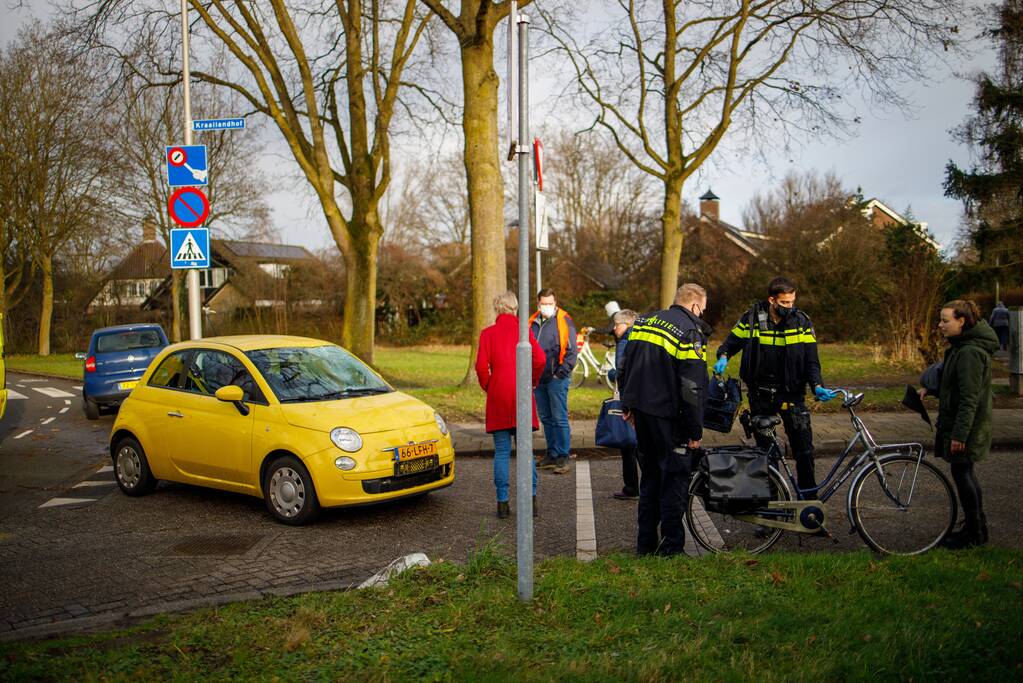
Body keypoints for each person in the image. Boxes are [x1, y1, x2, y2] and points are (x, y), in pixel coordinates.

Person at [713, 276, 837, 495]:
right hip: (761, 397)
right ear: (772, 300)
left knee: (805, 452)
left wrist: (817, 385)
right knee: (766, 455)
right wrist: (723, 356)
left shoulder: (801, 322)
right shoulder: (751, 319)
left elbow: (811, 361)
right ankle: (771, 508)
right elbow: (730, 344)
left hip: (793, 396)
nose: (790, 307)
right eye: (784, 303)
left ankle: (809, 505)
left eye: (792, 302)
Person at [619, 284, 711, 556]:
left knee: (649, 479)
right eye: (703, 309)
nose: (702, 314)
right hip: (669, 418)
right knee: (674, 481)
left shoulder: (645, 321)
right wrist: (695, 430)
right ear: (694, 305)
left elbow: (624, 365)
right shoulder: (689, 332)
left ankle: (645, 545)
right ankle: (671, 548)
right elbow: (692, 387)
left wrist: (627, 403)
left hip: (642, 413)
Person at [919, 300, 998, 548]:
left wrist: (960, 435)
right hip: (964, 425)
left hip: (966, 427)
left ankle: (973, 534)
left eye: (945, 320)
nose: (940, 325)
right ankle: (976, 528)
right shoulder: (962, 347)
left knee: (963, 473)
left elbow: (969, 399)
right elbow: (955, 387)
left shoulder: (969, 353)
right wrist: (930, 390)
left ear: (961, 321)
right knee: (964, 473)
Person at [475, 291, 547, 519]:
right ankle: (532, 500)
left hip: (498, 397)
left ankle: (502, 503)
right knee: (525, 452)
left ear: (497, 309)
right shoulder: (523, 332)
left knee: (502, 452)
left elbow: (480, 367)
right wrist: (531, 380)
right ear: (515, 309)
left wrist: (490, 386)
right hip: (522, 396)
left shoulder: (487, 334)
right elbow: (541, 359)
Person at [529, 288, 578, 475]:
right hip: (538, 379)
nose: (547, 306)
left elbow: (572, 353)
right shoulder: (532, 321)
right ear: (538, 303)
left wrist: (560, 373)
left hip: (557, 378)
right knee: (546, 418)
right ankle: (552, 453)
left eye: (550, 303)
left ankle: (563, 457)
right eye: (544, 303)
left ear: (555, 303)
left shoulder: (564, 320)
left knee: (559, 418)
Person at [607, 308, 639, 500]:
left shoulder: (624, 341)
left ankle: (631, 488)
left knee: (628, 447)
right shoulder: (640, 338)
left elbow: (621, 370)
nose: (614, 328)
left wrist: (611, 374)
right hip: (643, 398)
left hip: (629, 399)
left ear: (626, 324)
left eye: (617, 324)